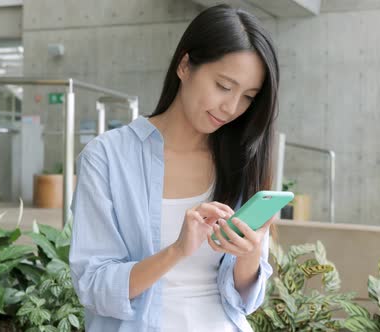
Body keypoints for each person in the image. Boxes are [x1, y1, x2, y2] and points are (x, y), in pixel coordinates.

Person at [69, 5, 279, 331]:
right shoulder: (107, 157)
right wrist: (178, 250)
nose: (232, 107)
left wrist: (249, 252)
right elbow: (94, 286)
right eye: (224, 86)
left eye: (248, 96)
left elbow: (245, 302)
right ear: (185, 65)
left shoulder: (241, 162)